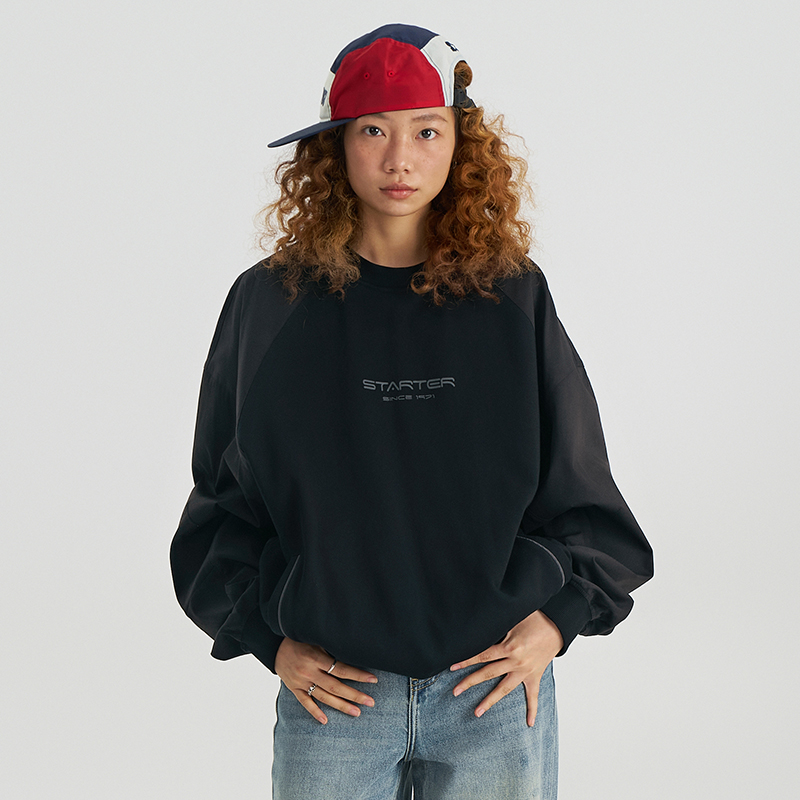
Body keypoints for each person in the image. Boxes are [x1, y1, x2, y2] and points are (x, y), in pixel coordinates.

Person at [170, 23, 653, 800]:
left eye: (427, 131)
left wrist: (556, 622)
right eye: (373, 131)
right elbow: (222, 502)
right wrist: (268, 642)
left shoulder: (511, 297)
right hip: (336, 700)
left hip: (492, 690)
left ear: (462, 144)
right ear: (334, 146)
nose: (400, 160)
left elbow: (581, 489)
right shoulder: (269, 305)